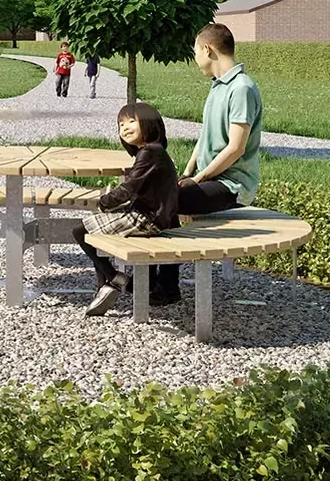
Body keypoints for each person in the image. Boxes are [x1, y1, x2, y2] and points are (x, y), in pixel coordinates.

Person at [75, 103, 179, 317]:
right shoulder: (153, 152)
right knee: (94, 229)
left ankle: (115, 279)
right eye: (121, 124)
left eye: (132, 121)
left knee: (81, 231)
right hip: (154, 216)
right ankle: (107, 285)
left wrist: (105, 202)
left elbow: (129, 187)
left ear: (150, 124)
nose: (125, 128)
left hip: (146, 219)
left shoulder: (150, 152)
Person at [181, 23, 263, 215]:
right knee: (158, 193)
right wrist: (187, 173)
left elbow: (236, 148)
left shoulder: (241, 89)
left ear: (207, 49)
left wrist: (197, 180)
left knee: (168, 201)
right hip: (210, 178)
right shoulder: (219, 86)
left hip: (231, 185)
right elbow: (205, 136)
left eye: (195, 53)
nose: (195, 59)